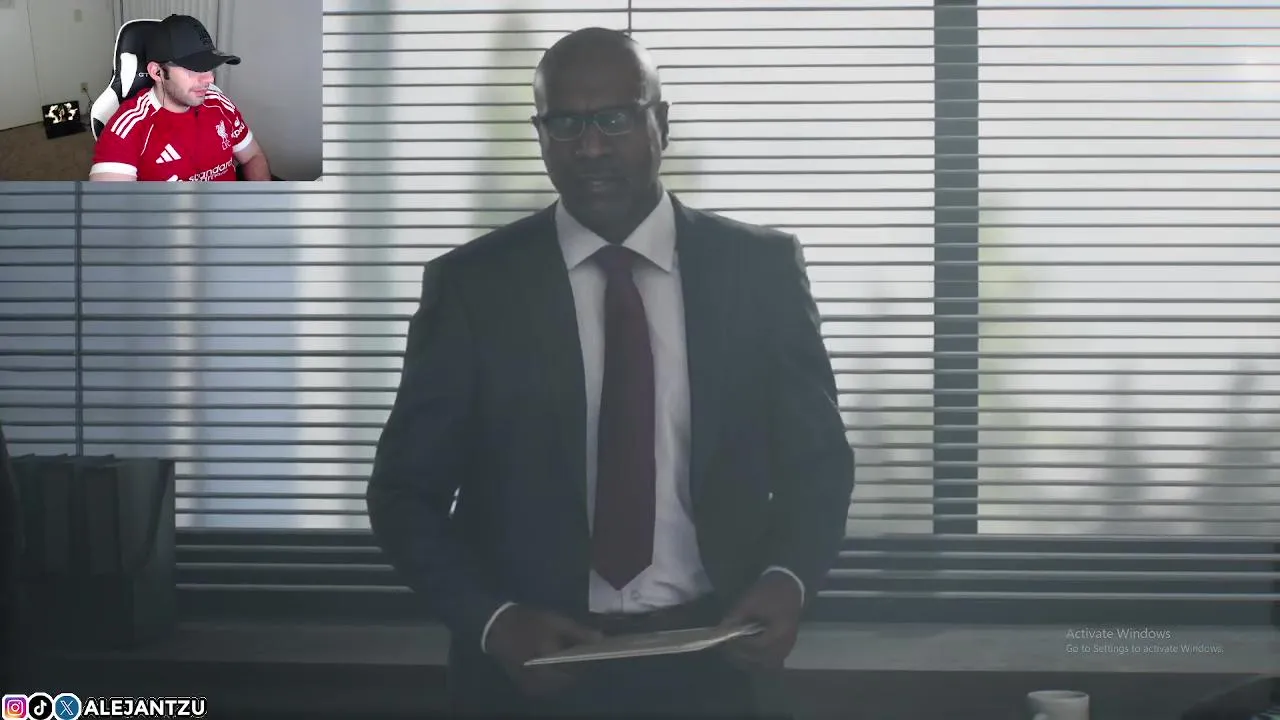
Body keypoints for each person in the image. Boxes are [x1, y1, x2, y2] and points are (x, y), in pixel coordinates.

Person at [366, 27, 854, 717]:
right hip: (529, 676)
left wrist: (788, 578)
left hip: (715, 666)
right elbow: (403, 494)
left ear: (662, 124)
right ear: (540, 135)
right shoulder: (474, 288)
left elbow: (819, 464)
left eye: (615, 120)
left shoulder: (759, 272)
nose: (590, 148)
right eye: (565, 124)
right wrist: (495, 623)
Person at [89, 14, 271, 182]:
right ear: (157, 72)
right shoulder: (128, 127)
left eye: (209, 67)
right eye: (193, 68)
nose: (210, 79)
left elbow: (253, 157)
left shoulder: (220, 104)